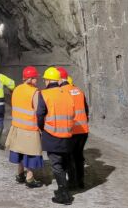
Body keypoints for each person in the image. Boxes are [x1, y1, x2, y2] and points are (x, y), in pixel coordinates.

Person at [36, 67, 75, 205]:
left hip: (52, 135)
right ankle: (63, 190)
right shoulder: (67, 93)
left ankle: (64, 195)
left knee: (56, 165)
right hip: (67, 135)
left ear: (47, 80)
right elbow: (73, 113)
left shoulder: (44, 94)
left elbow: (40, 114)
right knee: (64, 163)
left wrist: (42, 128)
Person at [5, 66, 44, 188]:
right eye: (35, 78)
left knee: (19, 152)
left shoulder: (16, 89)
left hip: (17, 127)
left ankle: (20, 175)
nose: (37, 80)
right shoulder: (35, 92)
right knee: (32, 154)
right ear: (30, 79)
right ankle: (30, 178)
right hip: (30, 128)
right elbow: (39, 111)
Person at [57, 67, 90, 190]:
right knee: (79, 156)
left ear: (59, 79)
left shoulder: (61, 92)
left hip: (70, 131)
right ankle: (81, 182)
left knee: (69, 157)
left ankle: (72, 183)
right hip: (83, 131)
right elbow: (86, 110)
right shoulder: (78, 90)